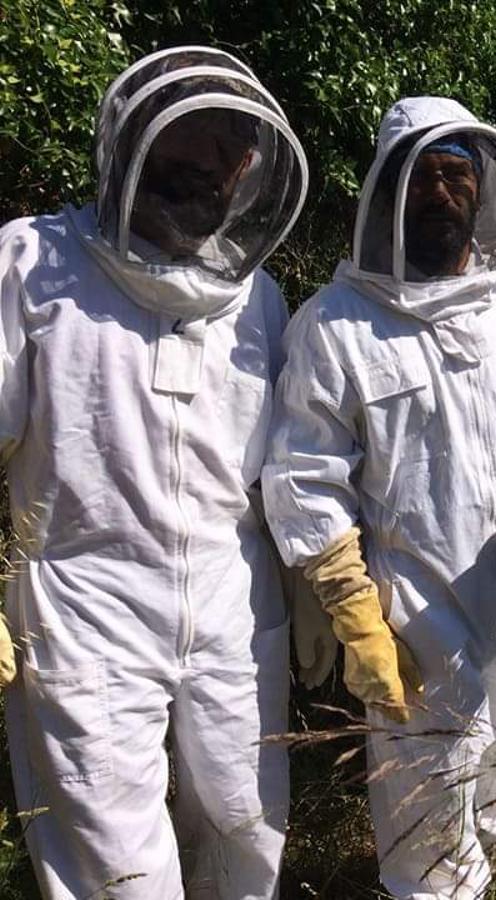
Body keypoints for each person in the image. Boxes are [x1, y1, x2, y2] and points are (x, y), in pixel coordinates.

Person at [263, 96, 496, 898]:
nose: (443, 193)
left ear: (485, 192)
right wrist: (350, 611)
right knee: (428, 785)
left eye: (458, 176)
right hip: (415, 602)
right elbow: (307, 478)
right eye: (424, 178)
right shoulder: (335, 327)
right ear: (387, 192)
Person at [0, 46, 308, 898]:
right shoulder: (29, 264)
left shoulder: (261, 298)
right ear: (132, 138)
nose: (206, 163)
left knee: (248, 833)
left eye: (229, 145)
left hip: (234, 601)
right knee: (115, 867)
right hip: (83, 600)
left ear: (251, 166)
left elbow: (285, 469)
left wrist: (316, 586)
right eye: (188, 136)